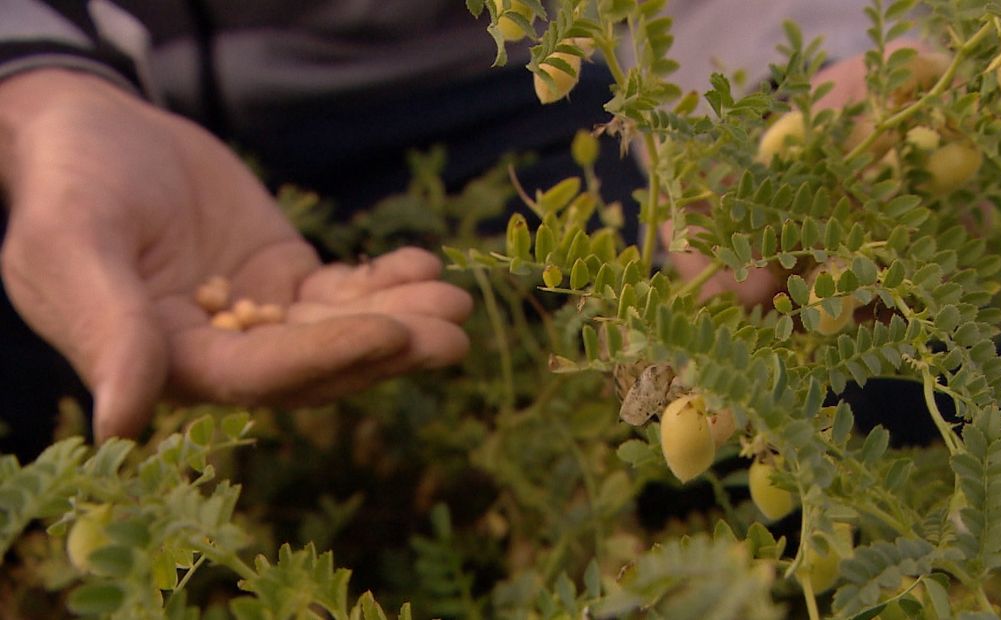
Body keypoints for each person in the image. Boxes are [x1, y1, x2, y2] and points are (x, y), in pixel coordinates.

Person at [0, 1, 871, 457]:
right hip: (79, 97)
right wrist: (37, 89)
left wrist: (790, 73)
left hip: (489, 76)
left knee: (837, 350)